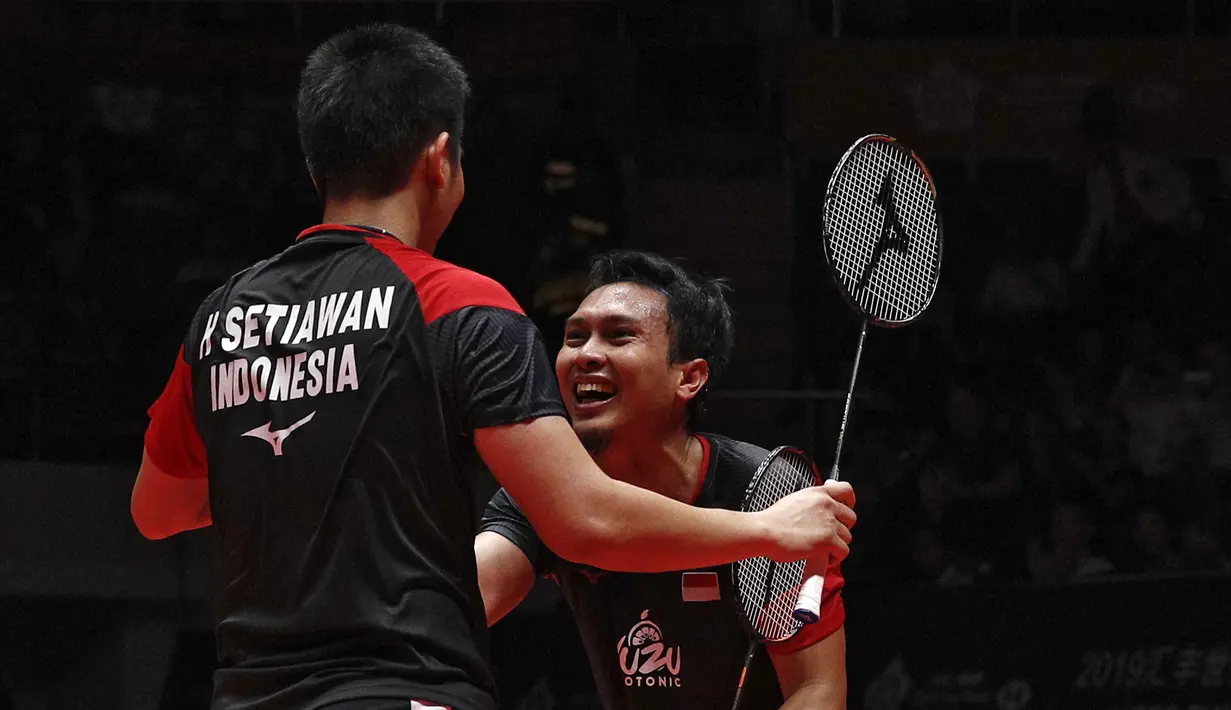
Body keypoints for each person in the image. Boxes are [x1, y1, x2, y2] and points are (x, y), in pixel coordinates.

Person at [129, 24, 853, 710]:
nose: (587, 354)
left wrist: (308, 469)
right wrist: (771, 531)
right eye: (575, 335)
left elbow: (156, 510)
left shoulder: (221, 318)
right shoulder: (458, 306)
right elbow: (583, 520)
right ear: (439, 157)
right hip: (401, 692)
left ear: (317, 158)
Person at [477, 251, 856, 710]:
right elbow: (463, 600)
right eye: (574, 336)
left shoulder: (767, 494)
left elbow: (816, 690)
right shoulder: (544, 493)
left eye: (619, 336)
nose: (586, 354)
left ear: (689, 377)